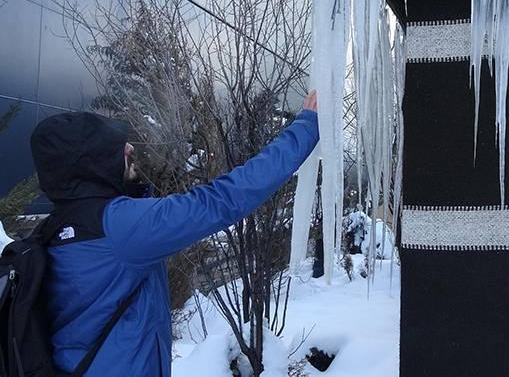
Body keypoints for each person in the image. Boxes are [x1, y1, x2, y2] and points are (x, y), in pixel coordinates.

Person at [29, 92, 319, 376]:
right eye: (114, 146)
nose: (130, 148)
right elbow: (223, 199)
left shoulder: (54, 229)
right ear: (91, 161)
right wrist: (305, 129)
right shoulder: (120, 228)